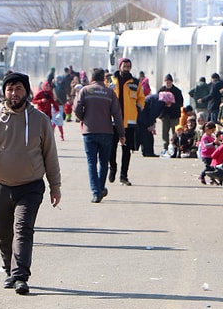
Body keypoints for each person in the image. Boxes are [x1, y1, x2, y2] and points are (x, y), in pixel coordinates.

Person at [0, 72, 61, 295]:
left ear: (27, 92)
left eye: (19, 89)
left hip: (30, 186)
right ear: (5, 92)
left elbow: (50, 154)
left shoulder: (39, 120)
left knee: (22, 229)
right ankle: (9, 269)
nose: (14, 93)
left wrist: (55, 186)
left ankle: (20, 275)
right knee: (3, 233)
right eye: (10, 89)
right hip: (0, 184)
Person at [73, 68, 126, 203]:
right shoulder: (110, 92)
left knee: (92, 163)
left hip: (89, 131)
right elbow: (117, 115)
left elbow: (77, 109)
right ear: (104, 78)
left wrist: (84, 118)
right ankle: (101, 188)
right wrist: (121, 133)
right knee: (103, 162)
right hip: (106, 132)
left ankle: (96, 192)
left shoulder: (85, 90)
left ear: (92, 78)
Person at [108, 57, 145, 186]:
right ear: (119, 66)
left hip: (129, 122)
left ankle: (124, 176)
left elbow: (141, 98)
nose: (126, 68)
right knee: (111, 148)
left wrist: (138, 108)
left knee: (126, 150)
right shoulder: (110, 80)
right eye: (124, 66)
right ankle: (112, 167)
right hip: (113, 121)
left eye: (129, 66)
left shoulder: (135, 82)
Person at [137, 91, 174, 157]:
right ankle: (148, 152)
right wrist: (150, 125)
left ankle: (146, 151)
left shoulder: (158, 98)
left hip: (142, 117)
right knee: (148, 136)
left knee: (145, 136)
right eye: (170, 102)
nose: (170, 104)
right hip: (143, 118)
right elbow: (152, 113)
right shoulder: (159, 102)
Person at [158, 74, 184, 152]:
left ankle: (175, 146)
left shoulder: (177, 91)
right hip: (164, 115)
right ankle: (165, 147)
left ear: (172, 82)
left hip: (174, 114)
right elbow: (157, 102)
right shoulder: (161, 90)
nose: (168, 83)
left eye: (169, 82)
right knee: (164, 132)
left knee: (175, 131)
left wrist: (171, 104)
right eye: (167, 82)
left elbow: (180, 103)